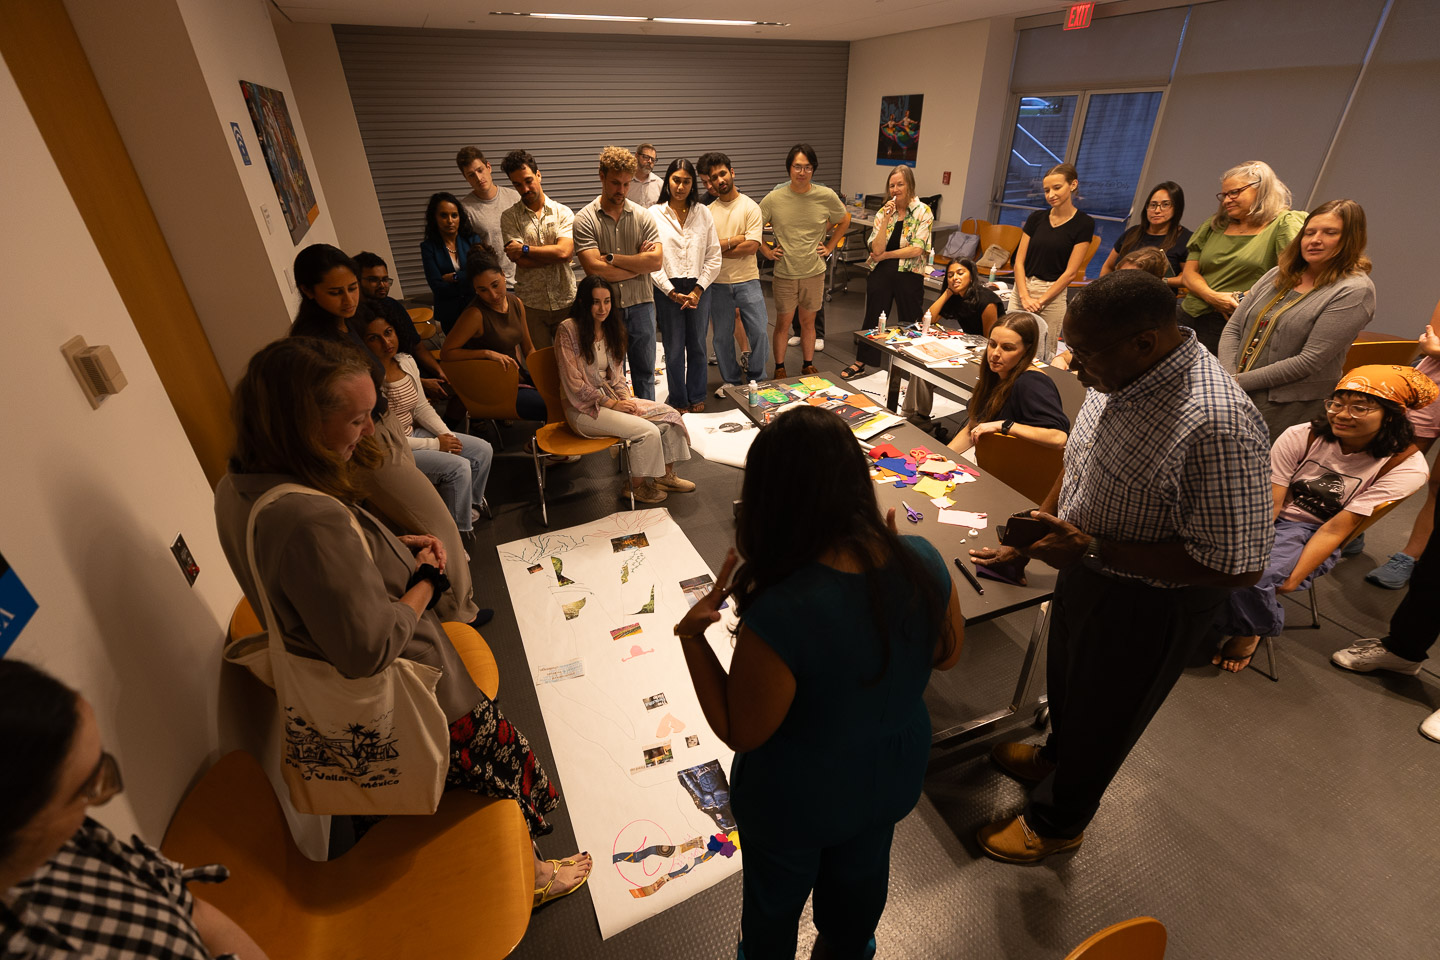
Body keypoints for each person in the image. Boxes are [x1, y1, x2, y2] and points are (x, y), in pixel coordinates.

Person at [214, 337, 590, 906]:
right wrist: (424, 582)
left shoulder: (239, 487)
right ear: (298, 423)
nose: (368, 433)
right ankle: (525, 879)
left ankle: (480, 880)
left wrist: (386, 549)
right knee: (492, 783)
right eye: (358, 419)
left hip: (349, 707)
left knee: (404, 806)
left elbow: (315, 584)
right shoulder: (307, 515)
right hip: (412, 693)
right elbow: (368, 647)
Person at [969, 270, 1273, 863]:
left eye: (1082, 354)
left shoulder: (1217, 423)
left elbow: (1237, 564)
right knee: (1071, 681)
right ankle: (1059, 754)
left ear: (1144, 341)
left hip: (1152, 601)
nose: (1074, 367)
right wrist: (1033, 534)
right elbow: (1080, 467)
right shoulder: (1117, 377)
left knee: (1110, 712)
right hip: (1089, 568)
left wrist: (1091, 550)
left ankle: (1059, 822)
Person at [671, 404, 962, 960]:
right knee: (856, 908)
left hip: (796, 797)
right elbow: (947, 655)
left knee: (771, 915)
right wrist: (908, 557)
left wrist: (692, 637)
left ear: (771, 501)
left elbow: (742, 729)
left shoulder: (784, 609)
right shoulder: (923, 557)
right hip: (889, 777)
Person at [1, 660, 270, 958]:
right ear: (22, 824)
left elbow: (196, 913)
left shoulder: (70, 843)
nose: (101, 797)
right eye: (88, 789)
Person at [289, 243, 483, 626]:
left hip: (386, 427)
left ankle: (442, 613)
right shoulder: (312, 342)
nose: (348, 299)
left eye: (352, 288)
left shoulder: (349, 322)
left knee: (409, 529)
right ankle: (462, 614)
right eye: (335, 292)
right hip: (366, 443)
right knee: (437, 524)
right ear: (308, 291)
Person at [1213, 365, 1433, 672]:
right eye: (1337, 403)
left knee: (1257, 575)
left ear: (1393, 415)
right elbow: (1272, 500)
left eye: (1359, 407)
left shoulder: (1406, 467)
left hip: (1312, 529)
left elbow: (1338, 527)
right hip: (1263, 509)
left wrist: (1295, 576)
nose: (1342, 415)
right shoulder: (1303, 435)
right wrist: (1243, 542)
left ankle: (1250, 630)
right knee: (1200, 545)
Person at [1217, 199, 1376, 441]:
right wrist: (1226, 379)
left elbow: (1308, 361)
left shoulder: (1354, 290)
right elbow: (1233, 329)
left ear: (1350, 240)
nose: (1315, 240)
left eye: (1329, 233)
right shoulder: (1278, 274)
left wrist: (1234, 382)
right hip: (1234, 390)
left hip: (1285, 406)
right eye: (1309, 232)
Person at [553, 276, 693, 504]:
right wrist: (614, 405)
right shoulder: (568, 330)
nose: (602, 308)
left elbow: (617, 377)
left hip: (610, 401)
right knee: (647, 431)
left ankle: (665, 476)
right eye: (596, 302)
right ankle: (634, 487)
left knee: (671, 415)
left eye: (607, 301)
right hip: (582, 409)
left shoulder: (612, 328)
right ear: (583, 302)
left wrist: (626, 402)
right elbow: (574, 384)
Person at [362, 312, 494, 536]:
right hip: (396, 447)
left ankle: (464, 506)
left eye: (388, 333)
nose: (386, 343)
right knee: (459, 468)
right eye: (374, 338)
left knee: (482, 450)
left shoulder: (406, 361)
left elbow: (421, 407)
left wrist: (447, 436)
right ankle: (454, 532)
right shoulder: (370, 378)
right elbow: (385, 436)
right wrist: (435, 445)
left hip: (415, 433)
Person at [1180, 160, 1307, 354]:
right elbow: (1190, 272)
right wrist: (1212, 297)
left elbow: (1292, 274)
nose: (1226, 200)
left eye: (1234, 193)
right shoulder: (1215, 224)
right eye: (1224, 195)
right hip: (1189, 313)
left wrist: (1238, 299)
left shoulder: (1284, 224)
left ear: (1261, 190)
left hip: (1232, 323)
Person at [573, 146, 664, 400]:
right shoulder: (585, 219)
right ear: (601, 176)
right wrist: (638, 265)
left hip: (642, 305)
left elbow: (656, 262)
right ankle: (622, 429)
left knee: (645, 373)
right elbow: (594, 270)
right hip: (605, 311)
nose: (621, 191)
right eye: (615, 183)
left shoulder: (644, 217)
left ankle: (650, 426)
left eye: (626, 184)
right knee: (611, 377)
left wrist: (613, 260)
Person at [759, 144, 850, 378]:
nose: (802, 172)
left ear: (813, 169)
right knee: (783, 323)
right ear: (789, 168)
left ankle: (807, 363)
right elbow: (752, 226)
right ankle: (779, 367)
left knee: (808, 322)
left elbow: (844, 219)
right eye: (797, 166)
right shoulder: (774, 198)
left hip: (814, 271)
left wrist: (829, 246)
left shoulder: (825, 195)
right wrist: (767, 251)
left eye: (807, 167)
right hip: (785, 272)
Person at [1368, 309, 1440, 588]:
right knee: (1389, 466)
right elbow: (1432, 344)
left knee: (1438, 486)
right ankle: (1350, 528)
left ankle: (1409, 557)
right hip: (1433, 386)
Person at [842, 166, 934, 382]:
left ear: (910, 185)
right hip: (882, 271)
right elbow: (876, 249)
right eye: (892, 185)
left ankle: (912, 366)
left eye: (900, 184)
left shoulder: (923, 211)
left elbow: (916, 249)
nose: (895, 189)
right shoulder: (884, 212)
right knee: (873, 317)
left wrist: (886, 256)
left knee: (910, 320)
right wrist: (885, 219)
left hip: (909, 273)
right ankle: (862, 362)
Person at [440, 244, 550, 424]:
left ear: (503, 275)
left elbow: (528, 348)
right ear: (475, 289)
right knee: (551, 405)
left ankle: (549, 445)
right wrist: (486, 353)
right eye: (482, 290)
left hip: (515, 376)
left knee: (563, 394)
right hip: (492, 385)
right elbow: (446, 353)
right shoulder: (475, 314)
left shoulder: (515, 302)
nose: (492, 294)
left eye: (495, 285)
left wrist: (543, 375)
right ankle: (540, 447)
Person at [650, 158, 721, 412]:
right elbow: (652, 260)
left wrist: (698, 289)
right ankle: (679, 398)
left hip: (699, 286)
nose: (680, 186)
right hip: (668, 287)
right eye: (676, 180)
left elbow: (714, 255)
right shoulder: (653, 214)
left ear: (694, 185)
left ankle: (697, 394)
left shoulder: (703, 213)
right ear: (667, 181)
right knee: (674, 346)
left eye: (686, 182)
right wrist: (669, 290)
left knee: (698, 345)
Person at [944, 312, 1069, 456]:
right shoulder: (994, 374)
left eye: (1007, 348)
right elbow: (971, 429)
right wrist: (945, 456)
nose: (995, 353)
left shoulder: (1031, 383)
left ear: (1026, 351)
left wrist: (1004, 425)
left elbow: (1059, 438)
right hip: (991, 455)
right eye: (992, 344)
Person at [1009, 163, 1095, 359]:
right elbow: (1019, 262)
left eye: (1057, 188)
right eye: (1047, 190)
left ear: (1073, 185)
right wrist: (1024, 296)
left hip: (1052, 294)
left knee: (1043, 353)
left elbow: (1071, 273)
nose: (1051, 194)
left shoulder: (1084, 223)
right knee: (1012, 344)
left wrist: (1040, 301)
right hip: (1022, 289)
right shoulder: (1036, 218)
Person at [703, 153, 769, 397]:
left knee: (760, 331)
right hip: (718, 283)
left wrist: (722, 247)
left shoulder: (750, 207)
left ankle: (757, 378)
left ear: (732, 172)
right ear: (709, 183)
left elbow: (752, 246)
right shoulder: (707, 212)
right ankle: (730, 379)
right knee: (721, 337)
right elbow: (707, 250)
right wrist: (736, 239)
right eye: (714, 178)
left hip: (748, 280)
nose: (720, 180)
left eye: (723, 173)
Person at [500, 150, 577, 349]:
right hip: (532, 305)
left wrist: (525, 248)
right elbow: (521, 261)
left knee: (573, 361)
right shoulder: (509, 217)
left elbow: (565, 253)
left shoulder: (563, 212)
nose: (525, 189)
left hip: (566, 301)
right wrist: (554, 254)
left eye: (528, 180)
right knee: (541, 365)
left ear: (538, 175)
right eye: (517, 184)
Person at [1050, 247, 1167, 371]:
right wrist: (1062, 358)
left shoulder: (1152, 328)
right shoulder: (1108, 312)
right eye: (1119, 275)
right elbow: (1085, 350)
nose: (1120, 283)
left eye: (1130, 279)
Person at [354, 250, 446, 385]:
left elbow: (417, 346)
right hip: (386, 381)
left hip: (412, 368)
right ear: (356, 280)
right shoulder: (354, 316)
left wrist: (440, 372)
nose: (382, 285)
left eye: (385, 280)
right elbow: (370, 369)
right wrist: (421, 383)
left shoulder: (392, 305)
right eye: (374, 280)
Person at [1098, 181, 1190, 285]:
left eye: (1165, 205)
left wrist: (1158, 281)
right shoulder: (1132, 233)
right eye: (1153, 205)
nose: (1157, 210)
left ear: (1177, 207)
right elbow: (1108, 266)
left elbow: (1187, 278)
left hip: (1158, 295)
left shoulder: (1185, 239)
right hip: (1120, 292)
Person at [418, 192, 484, 333]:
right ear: (434, 218)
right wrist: (468, 279)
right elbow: (436, 285)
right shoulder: (428, 247)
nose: (450, 220)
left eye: (454, 215)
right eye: (443, 215)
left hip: (477, 307)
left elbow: (481, 272)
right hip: (450, 313)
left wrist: (455, 277)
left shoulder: (472, 240)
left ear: (460, 217)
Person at [455, 146, 520, 288]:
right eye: (471, 175)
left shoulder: (514, 197)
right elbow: (469, 253)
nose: (478, 178)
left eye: (480, 170)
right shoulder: (465, 209)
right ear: (466, 178)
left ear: (488, 167)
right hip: (496, 284)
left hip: (526, 278)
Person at [631, 142, 662, 208]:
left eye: (653, 159)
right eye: (646, 157)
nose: (650, 161)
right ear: (636, 156)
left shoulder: (659, 184)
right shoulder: (626, 182)